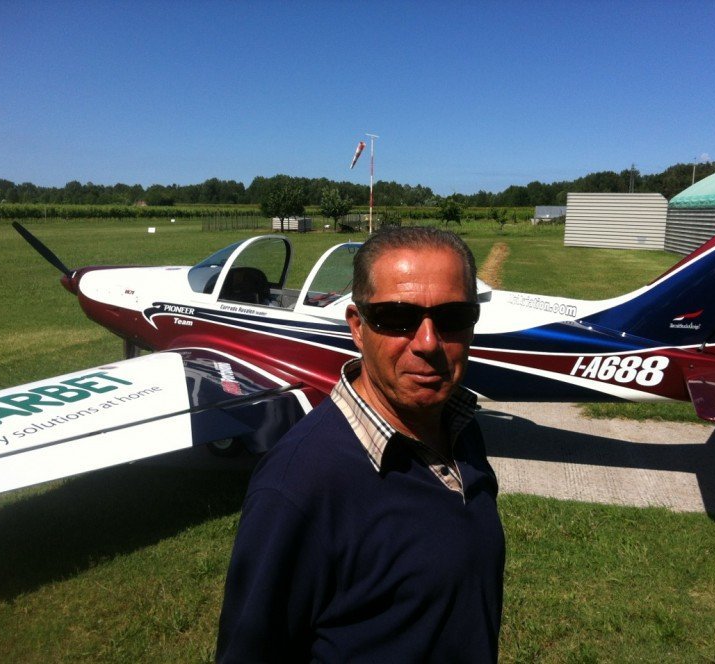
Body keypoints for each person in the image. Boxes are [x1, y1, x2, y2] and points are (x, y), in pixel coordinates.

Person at [216, 226, 505, 662]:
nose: (428, 343)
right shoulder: (295, 488)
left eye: (452, 318)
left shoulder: (458, 426)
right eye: (395, 318)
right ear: (357, 327)